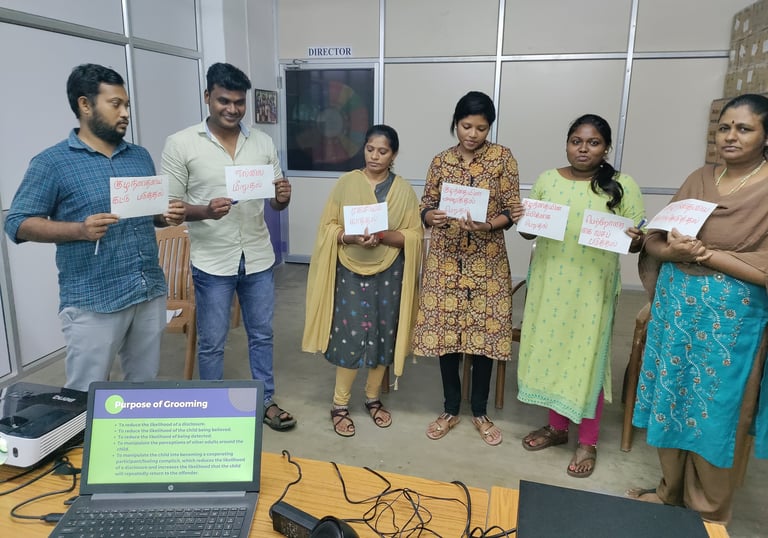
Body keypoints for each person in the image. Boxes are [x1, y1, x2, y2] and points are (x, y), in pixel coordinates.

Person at [3, 63, 185, 392]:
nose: (125, 113)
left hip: (147, 291)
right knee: (85, 394)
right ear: (85, 105)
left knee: (143, 388)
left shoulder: (139, 156)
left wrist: (163, 216)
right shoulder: (52, 162)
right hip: (93, 299)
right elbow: (17, 223)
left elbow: (146, 214)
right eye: (115, 104)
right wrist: (79, 230)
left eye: (127, 104)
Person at [629, 93, 768, 523]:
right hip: (676, 315)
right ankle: (669, 492)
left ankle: (708, 513)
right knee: (671, 397)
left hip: (732, 324)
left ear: (765, 136)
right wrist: (671, 250)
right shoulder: (700, 178)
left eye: (743, 129)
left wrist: (704, 254)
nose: (730, 136)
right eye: (724, 128)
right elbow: (656, 238)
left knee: (716, 412)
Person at [161, 62, 296, 431]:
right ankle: (212, 407)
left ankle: (266, 400)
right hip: (212, 259)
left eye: (239, 102)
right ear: (207, 97)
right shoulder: (182, 143)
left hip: (258, 256)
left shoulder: (262, 142)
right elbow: (169, 207)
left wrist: (282, 197)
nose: (232, 109)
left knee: (262, 335)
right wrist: (204, 210)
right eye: (224, 100)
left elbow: (275, 202)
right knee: (212, 341)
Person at [517, 114, 645, 477]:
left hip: (592, 289)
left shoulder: (621, 185)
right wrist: (524, 218)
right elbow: (528, 233)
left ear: (606, 148)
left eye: (593, 142)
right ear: (567, 144)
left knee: (587, 359)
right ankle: (557, 428)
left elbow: (637, 241)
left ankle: (588, 440)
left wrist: (637, 239)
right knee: (553, 352)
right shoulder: (547, 179)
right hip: (550, 283)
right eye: (576, 141)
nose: (583, 149)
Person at [412, 91, 523, 446]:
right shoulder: (441, 161)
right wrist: (431, 215)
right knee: (447, 334)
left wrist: (487, 225)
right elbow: (426, 204)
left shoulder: (502, 158)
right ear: (455, 123)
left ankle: (479, 410)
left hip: (486, 260)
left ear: (489, 128)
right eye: (466, 126)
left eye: (481, 128)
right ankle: (449, 408)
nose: (472, 134)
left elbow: (511, 210)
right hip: (445, 260)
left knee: (483, 335)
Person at [302, 125, 422, 437]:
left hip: (389, 270)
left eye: (383, 151)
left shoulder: (403, 191)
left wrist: (382, 236)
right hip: (350, 268)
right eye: (370, 149)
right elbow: (328, 226)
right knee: (350, 334)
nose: (375, 156)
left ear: (393, 154)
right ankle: (339, 404)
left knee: (383, 331)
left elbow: (413, 235)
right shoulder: (346, 184)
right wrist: (349, 237)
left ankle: (373, 398)